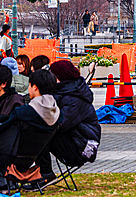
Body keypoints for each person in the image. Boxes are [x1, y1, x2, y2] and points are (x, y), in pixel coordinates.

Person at [0, 69, 59, 186]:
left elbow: (2, 130)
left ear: (35, 87)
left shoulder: (24, 112)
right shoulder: (57, 114)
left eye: (29, 85)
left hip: (10, 155)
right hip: (30, 158)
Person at [31, 60, 101, 188]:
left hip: (83, 147)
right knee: (39, 130)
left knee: (42, 133)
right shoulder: (64, 91)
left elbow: (61, 124)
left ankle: (45, 174)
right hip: (75, 139)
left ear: (59, 77)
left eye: (52, 75)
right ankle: (40, 172)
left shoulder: (74, 98)